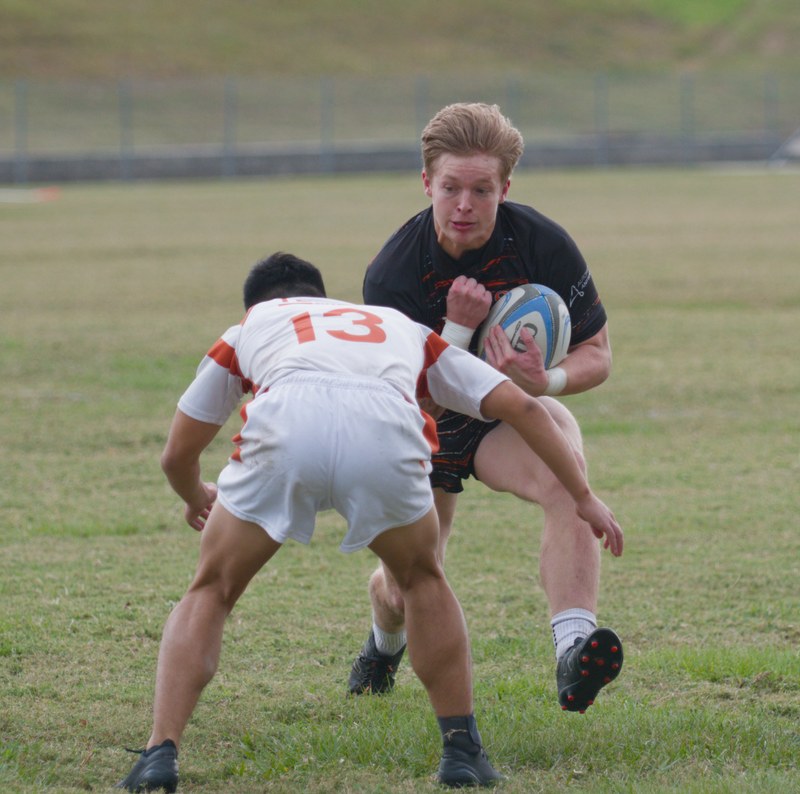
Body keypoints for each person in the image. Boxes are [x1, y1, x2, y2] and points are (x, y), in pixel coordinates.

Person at [116, 252, 622, 792]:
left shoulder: (252, 326)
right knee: (423, 580)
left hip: (289, 430)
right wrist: (583, 495)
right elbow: (523, 408)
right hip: (384, 435)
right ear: (323, 295)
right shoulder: (397, 327)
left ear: (264, 304)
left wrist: (196, 496)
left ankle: (159, 755)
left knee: (212, 589)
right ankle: (462, 752)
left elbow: (176, 454)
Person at [349, 102, 625, 715]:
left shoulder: (541, 244)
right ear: (427, 184)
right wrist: (457, 328)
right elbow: (407, 394)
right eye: (450, 188)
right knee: (408, 582)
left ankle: (574, 650)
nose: (465, 205)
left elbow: (598, 353)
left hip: (504, 417)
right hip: (422, 426)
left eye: (482, 189)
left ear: (506, 187)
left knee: (566, 478)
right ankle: (382, 642)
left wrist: (544, 377)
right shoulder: (392, 273)